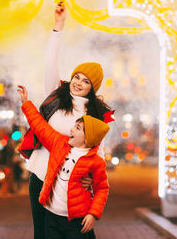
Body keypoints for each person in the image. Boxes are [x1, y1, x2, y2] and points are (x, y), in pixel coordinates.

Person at [18, 1, 114, 239]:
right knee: (41, 234)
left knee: (73, 233)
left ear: (92, 88)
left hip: (68, 183)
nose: (78, 83)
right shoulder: (55, 96)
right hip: (41, 176)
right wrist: (58, 26)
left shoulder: (92, 116)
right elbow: (51, 60)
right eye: (76, 77)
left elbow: (96, 151)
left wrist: (90, 179)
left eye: (86, 81)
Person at [17, 85, 109, 238]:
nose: (71, 130)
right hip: (52, 217)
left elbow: (102, 189)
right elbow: (40, 127)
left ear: (88, 138)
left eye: (77, 128)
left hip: (76, 220)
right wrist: (26, 102)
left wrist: (93, 214)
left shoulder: (95, 162)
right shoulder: (60, 145)